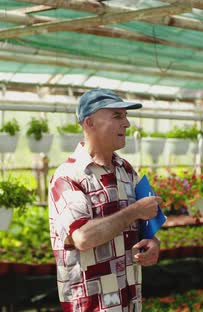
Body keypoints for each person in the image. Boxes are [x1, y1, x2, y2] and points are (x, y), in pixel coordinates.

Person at [48, 89, 162, 312]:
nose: (127, 124)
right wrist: (134, 211)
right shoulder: (68, 176)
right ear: (90, 123)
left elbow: (141, 229)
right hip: (93, 304)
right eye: (117, 116)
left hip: (128, 300)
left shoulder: (126, 170)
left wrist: (153, 243)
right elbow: (82, 237)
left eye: (126, 116)